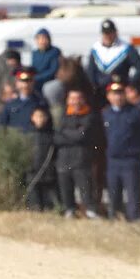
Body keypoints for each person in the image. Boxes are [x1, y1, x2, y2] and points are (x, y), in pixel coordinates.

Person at [101, 81, 140, 221]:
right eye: (114, 94)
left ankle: (135, 220)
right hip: (112, 161)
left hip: (130, 160)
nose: (117, 97)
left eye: (120, 94)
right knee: (113, 193)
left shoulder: (135, 113)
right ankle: (115, 218)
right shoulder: (105, 114)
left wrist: (135, 148)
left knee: (133, 192)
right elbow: (100, 137)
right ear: (108, 97)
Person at [52, 88, 100, 218]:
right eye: (72, 98)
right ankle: (69, 210)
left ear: (83, 100)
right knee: (65, 188)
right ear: (67, 100)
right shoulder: (62, 116)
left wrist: (65, 134)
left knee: (85, 188)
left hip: (81, 159)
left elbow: (82, 136)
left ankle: (90, 211)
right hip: (63, 159)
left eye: (78, 98)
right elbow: (56, 137)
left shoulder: (89, 116)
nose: (75, 101)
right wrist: (72, 134)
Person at [87, 19, 140, 104]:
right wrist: (93, 87)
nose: (108, 36)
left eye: (110, 33)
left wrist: (130, 84)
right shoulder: (96, 49)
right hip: (100, 92)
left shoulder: (126, 48)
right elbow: (90, 71)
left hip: (120, 91)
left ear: (115, 33)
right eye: (105, 33)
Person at [25, 106, 59, 210]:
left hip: (49, 172)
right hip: (32, 172)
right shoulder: (28, 135)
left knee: (49, 203)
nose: (40, 119)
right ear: (32, 118)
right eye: (37, 116)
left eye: (42, 116)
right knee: (34, 203)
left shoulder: (52, 135)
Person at [0, 67, 46, 131]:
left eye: (29, 81)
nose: (25, 85)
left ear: (33, 82)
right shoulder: (10, 105)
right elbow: (2, 127)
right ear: (17, 83)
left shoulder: (41, 103)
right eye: (22, 81)